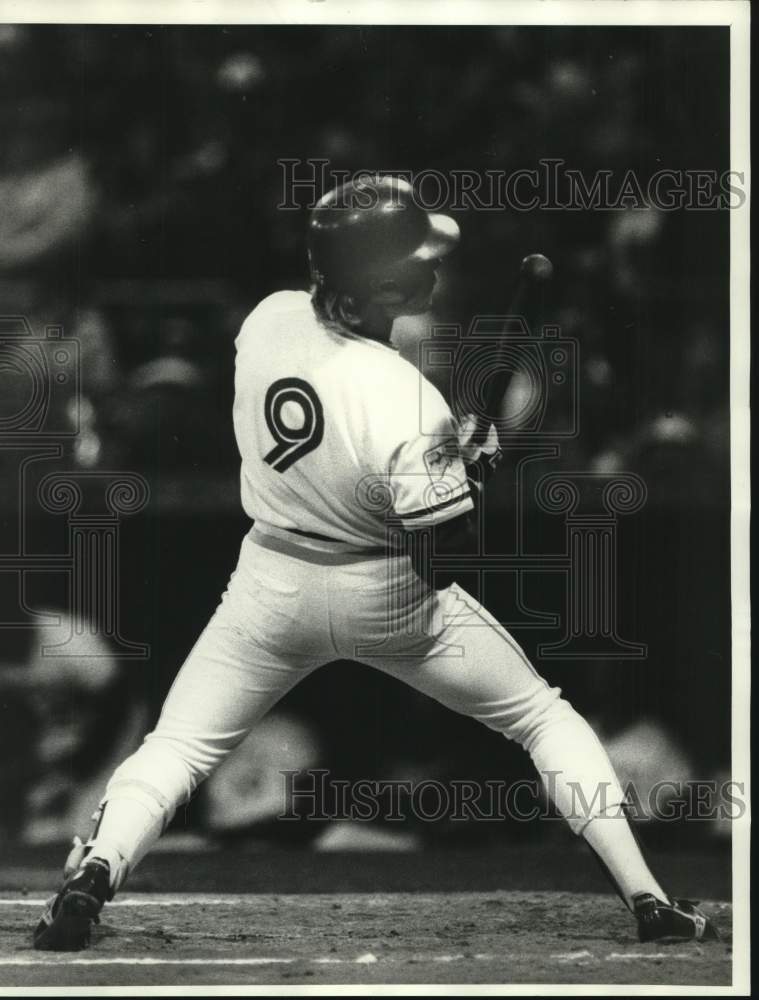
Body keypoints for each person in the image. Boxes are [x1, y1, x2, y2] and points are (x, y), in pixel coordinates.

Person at [33, 176, 717, 951]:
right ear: (387, 284)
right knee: (539, 716)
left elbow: (341, 409)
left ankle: (95, 872)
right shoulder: (407, 402)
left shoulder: (269, 319)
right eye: (419, 257)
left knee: (178, 747)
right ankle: (647, 898)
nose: (433, 266)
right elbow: (441, 555)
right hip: (386, 591)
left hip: (270, 585)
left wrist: (445, 465)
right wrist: (469, 478)